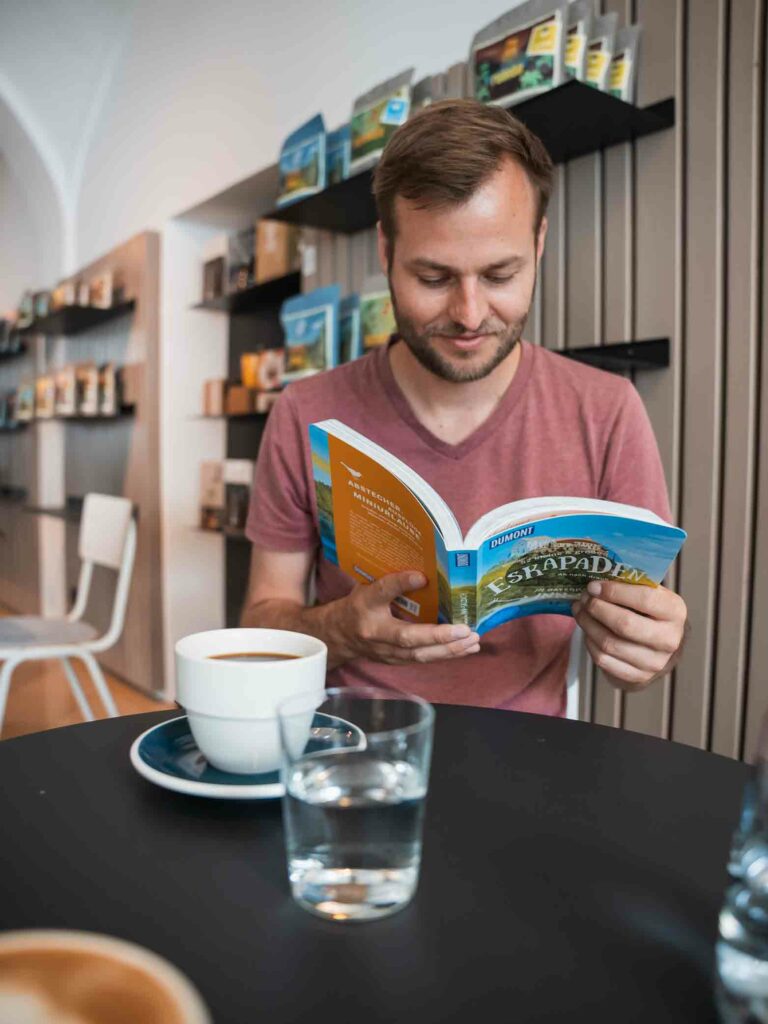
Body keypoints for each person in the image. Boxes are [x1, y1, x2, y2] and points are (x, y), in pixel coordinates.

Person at [241, 99, 688, 715]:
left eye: (501, 274)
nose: (470, 315)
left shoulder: (607, 410)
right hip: (355, 746)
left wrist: (644, 652)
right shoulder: (306, 411)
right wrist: (343, 628)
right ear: (385, 252)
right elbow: (262, 623)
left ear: (539, 241)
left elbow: (635, 667)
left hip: (531, 754)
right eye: (433, 278)